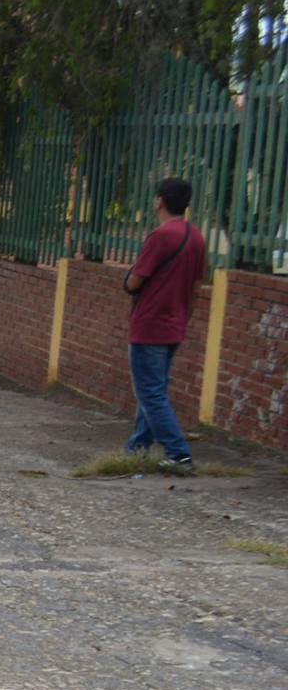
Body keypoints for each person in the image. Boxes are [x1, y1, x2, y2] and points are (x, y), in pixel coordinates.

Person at [122, 176, 207, 475]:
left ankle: (179, 453)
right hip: (175, 324)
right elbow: (196, 287)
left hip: (149, 324)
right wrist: (184, 318)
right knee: (153, 389)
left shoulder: (160, 237)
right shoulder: (195, 236)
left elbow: (135, 281)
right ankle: (137, 448)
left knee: (150, 393)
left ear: (159, 200)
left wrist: (130, 279)